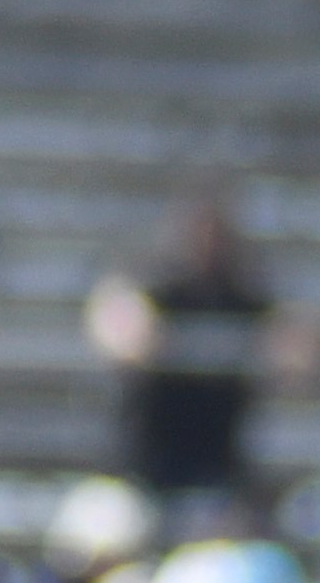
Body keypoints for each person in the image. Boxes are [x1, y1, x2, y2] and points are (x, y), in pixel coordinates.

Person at [88, 194, 277, 499]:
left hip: (219, 466)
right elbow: (114, 314)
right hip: (147, 466)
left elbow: (288, 331)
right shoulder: (161, 288)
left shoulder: (238, 297)